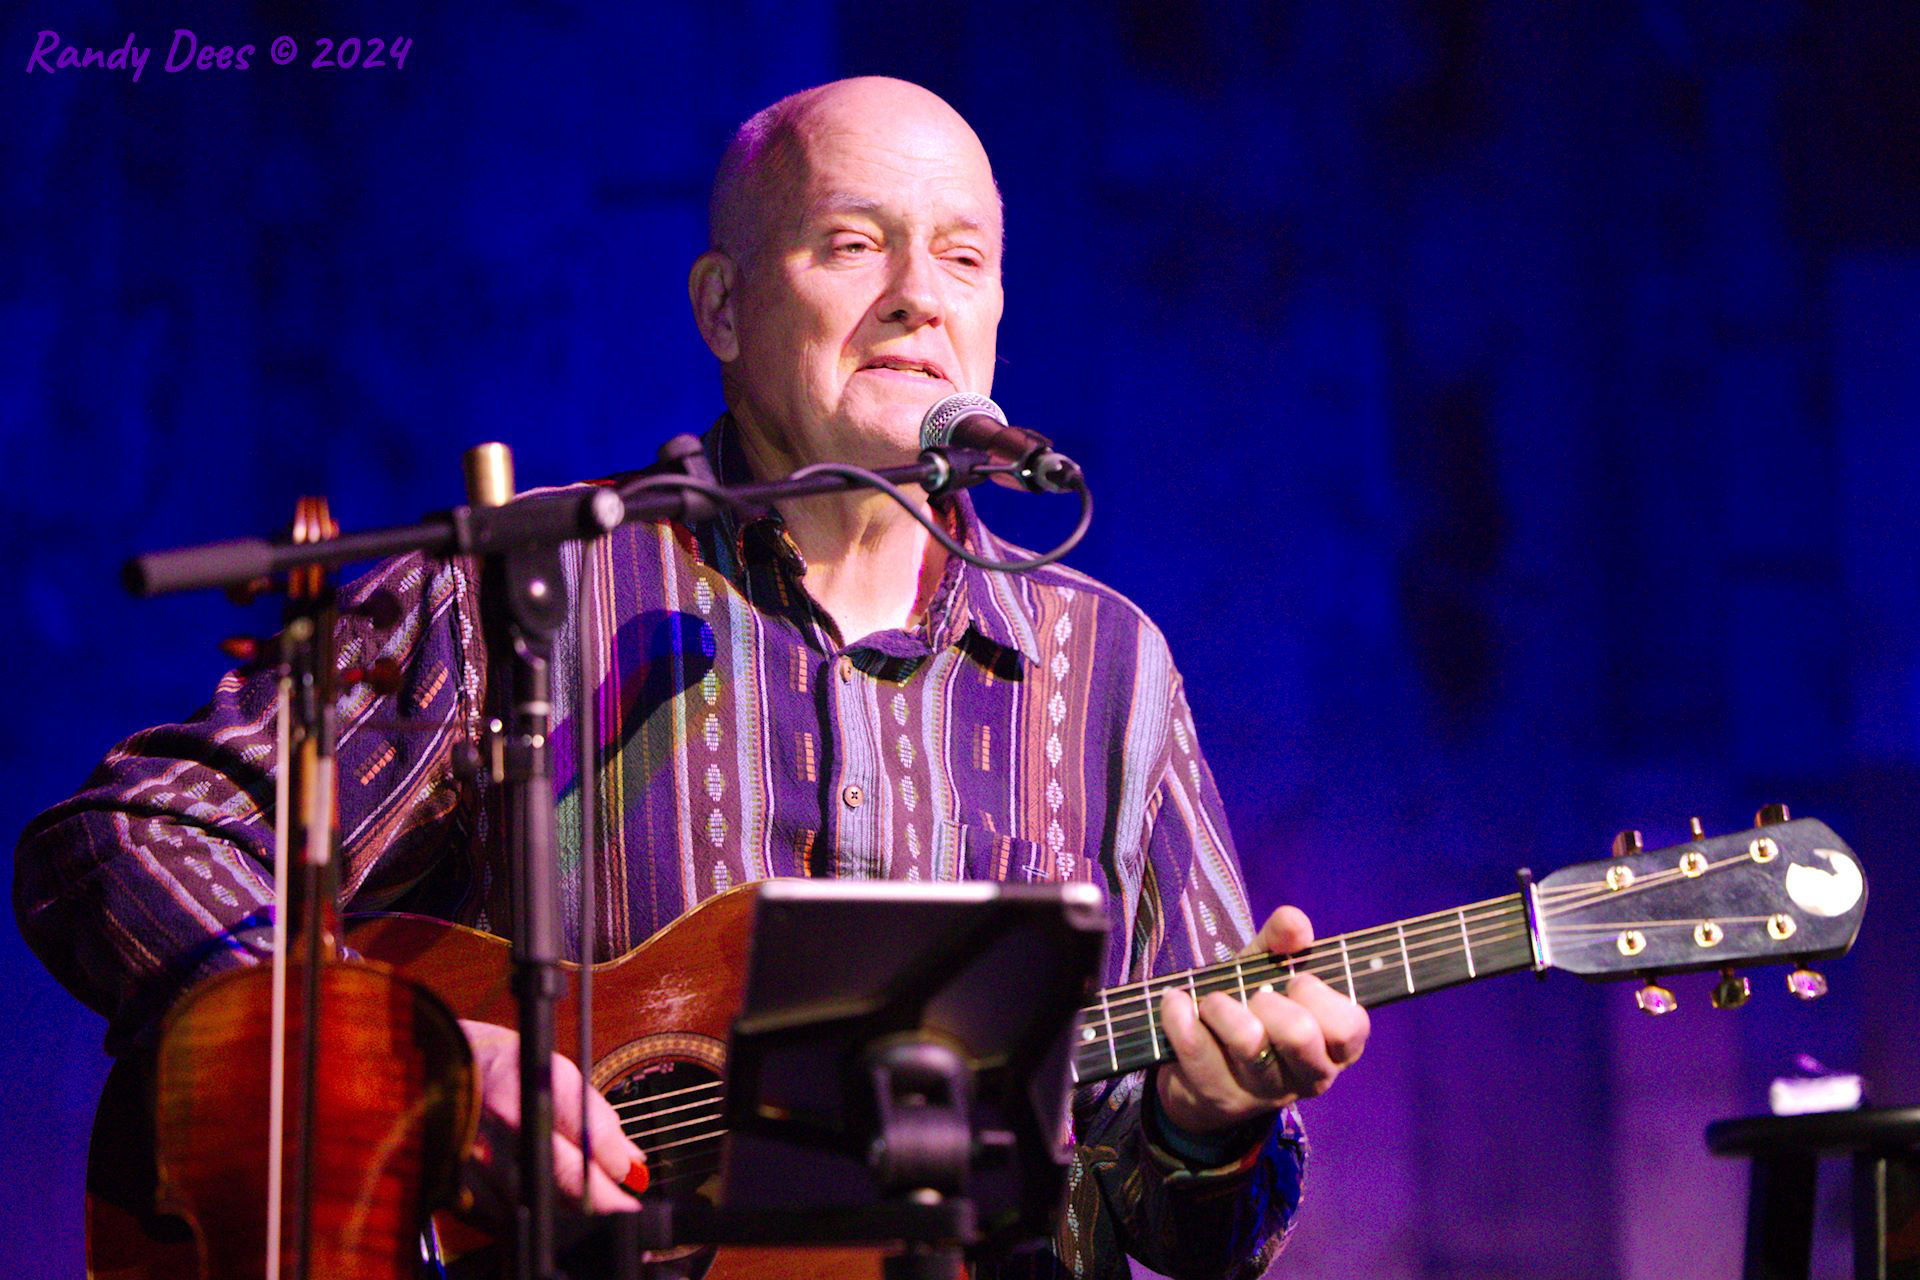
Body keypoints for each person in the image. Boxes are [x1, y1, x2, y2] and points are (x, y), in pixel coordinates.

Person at [15, 77, 1368, 1278]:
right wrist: (396, 1069)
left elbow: (1196, 1234)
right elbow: (129, 840)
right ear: (724, 305)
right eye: (855, 243)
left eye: (965, 257)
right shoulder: (534, 586)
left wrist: (1210, 1127)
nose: (919, 292)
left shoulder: (1106, 667)